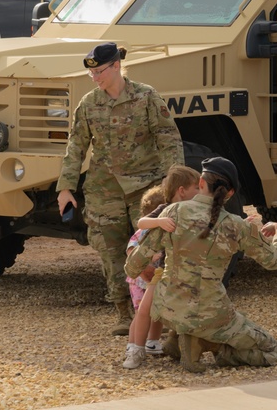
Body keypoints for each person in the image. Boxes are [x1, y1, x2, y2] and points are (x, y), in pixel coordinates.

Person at [56, 42, 184, 335]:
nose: (95, 78)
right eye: (91, 73)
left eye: (100, 71)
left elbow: (168, 138)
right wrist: (65, 188)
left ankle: (158, 313)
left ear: (116, 66)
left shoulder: (146, 96)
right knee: (111, 252)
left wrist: (171, 182)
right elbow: (76, 146)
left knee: (152, 249)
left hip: (146, 185)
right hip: (105, 189)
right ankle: (124, 315)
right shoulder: (89, 104)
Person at [124, 157, 277, 372]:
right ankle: (207, 343)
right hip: (210, 313)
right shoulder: (237, 225)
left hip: (168, 308)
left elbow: (133, 266)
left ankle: (181, 338)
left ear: (201, 184)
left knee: (187, 309)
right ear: (230, 193)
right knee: (270, 350)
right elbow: (275, 261)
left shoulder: (172, 212)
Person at [121, 165, 201, 369]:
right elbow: (141, 223)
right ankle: (135, 349)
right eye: (195, 188)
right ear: (182, 191)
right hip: (164, 269)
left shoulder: (196, 209)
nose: (199, 193)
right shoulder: (165, 209)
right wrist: (160, 221)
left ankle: (177, 347)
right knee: (145, 309)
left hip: (187, 270)